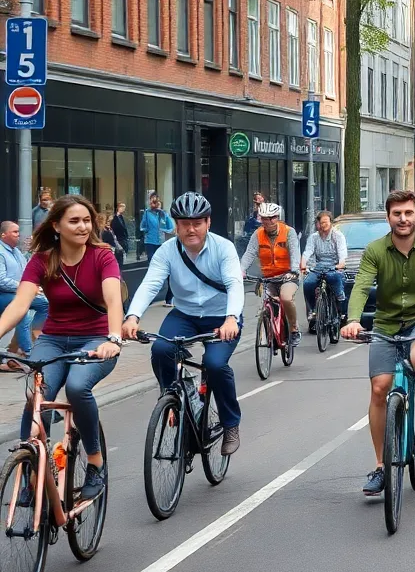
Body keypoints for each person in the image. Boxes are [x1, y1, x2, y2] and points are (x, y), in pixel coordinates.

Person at [0, 196, 123, 500]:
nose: (83, 227)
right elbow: (20, 305)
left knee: (78, 388)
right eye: (74, 221)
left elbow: (113, 300)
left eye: (87, 220)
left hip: (96, 339)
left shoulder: (102, 256)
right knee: (37, 395)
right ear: (56, 226)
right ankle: (31, 470)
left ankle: (95, 462)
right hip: (53, 340)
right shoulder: (42, 260)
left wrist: (113, 338)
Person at [341, 190, 415, 496]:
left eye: (408, 213)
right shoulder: (375, 250)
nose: (403, 219)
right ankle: (381, 466)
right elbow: (362, 286)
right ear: (388, 217)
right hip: (387, 322)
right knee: (380, 388)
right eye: (397, 214)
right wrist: (353, 320)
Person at [123, 192, 244, 458]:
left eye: (197, 223)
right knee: (161, 349)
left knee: (215, 364)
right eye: (185, 223)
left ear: (208, 223)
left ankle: (230, 423)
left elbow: (235, 284)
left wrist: (231, 318)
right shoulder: (167, 251)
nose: (191, 229)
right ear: (175, 226)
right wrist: (132, 316)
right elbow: (151, 283)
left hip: (222, 316)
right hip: (185, 314)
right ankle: (173, 400)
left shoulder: (223, 248)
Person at [240, 202, 302, 349]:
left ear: (277, 217)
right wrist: (241, 270)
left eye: (272, 218)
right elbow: (249, 253)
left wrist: (294, 271)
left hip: (287, 276)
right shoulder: (257, 234)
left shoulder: (289, 232)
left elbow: (295, 253)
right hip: (268, 277)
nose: (268, 222)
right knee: (267, 302)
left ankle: (294, 329)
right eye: (265, 218)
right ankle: (271, 330)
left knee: (286, 298)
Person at [0, 220, 48, 358]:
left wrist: (33, 251)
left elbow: (26, 270)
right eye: (15, 232)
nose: (18, 235)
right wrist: (23, 287)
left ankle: (34, 338)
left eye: (18, 232)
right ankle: (28, 352)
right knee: (22, 312)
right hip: (4, 294)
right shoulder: (1, 253)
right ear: (4, 234)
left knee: (44, 304)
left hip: (17, 293)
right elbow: (1, 280)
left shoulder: (16, 251)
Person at [301, 210, 348, 329]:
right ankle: (313, 310)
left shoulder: (338, 236)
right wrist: (303, 264)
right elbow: (308, 252)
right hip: (319, 267)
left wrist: (340, 264)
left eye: (326, 222)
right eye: (321, 223)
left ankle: (341, 310)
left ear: (331, 222)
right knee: (308, 284)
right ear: (318, 224)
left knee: (336, 281)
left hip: (334, 266)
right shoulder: (314, 237)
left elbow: (342, 253)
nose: (323, 225)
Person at [140, 193, 175, 306]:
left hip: (162, 243)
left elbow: (170, 227)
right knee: (153, 269)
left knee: (168, 269)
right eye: (152, 202)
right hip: (150, 243)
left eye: (156, 202)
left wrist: (163, 214)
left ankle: (169, 298)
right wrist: (146, 231)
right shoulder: (147, 213)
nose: (154, 204)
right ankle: (149, 298)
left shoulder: (163, 213)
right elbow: (142, 226)